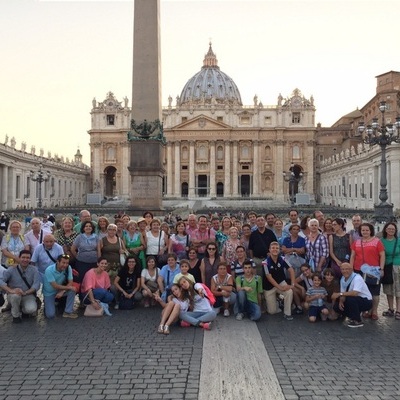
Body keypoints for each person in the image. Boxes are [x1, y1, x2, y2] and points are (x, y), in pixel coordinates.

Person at [349, 222, 385, 320]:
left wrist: (381, 269)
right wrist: (351, 268)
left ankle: (374, 311)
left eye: (367, 230)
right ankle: (364, 310)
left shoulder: (377, 241)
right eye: (363, 230)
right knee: (361, 291)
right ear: (360, 231)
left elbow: (382, 255)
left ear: (371, 231)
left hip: (373, 270)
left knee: (374, 292)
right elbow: (353, 255)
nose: (365, 232)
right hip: (358, 269)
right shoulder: (356, 242)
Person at [0, 250, 40, 323]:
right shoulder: (11, 269)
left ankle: (23, 309)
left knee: (31, 309)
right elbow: (1, 281)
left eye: (27, 258)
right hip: (14, 294)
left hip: (28, 294)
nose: (25, 260)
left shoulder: (34, 270)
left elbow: (36, 285)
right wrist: (11, 290)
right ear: (19, 258)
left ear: (30, 259)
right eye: (23, 257)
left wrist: (26, 292)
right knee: (16, 296)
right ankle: (16, 316)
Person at [331, 262, 373, 328]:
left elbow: (355, 293)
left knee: (350, 299)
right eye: (343, 269)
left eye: (347, 269)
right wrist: (341, 301)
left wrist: (339, 294)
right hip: (355, 300)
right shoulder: (342, 279)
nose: (345, 271)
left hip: (366, 301)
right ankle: (352, 315)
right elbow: (343, 293)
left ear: (351, 270)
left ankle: (357, 320)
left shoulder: (357, 278)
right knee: (337, 307)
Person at [262, 241, 295, 320]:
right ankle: (278, 300)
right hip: (269, 286)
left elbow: (291, 270)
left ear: (279, 250)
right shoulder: (265, 262)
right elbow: (269, 277)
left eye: (277, 248)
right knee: (272, 311)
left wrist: (292, 284)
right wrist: (280, 288)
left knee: (289, 291)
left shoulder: (283, 259)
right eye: (273, 248)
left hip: (280, 282)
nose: (275, 249)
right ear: (269, 250)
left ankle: (287, 313)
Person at [42, 254, 78, 319]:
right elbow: (55, 286)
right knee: (50, 315)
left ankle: (68, 311)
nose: (65, 265)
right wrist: (69, 287)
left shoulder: (68, 267)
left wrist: (63, 291)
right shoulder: (49, 270)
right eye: (63, 263)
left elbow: (70, 282)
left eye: (67, 263)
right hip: (49, 292)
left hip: (60, 290)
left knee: (73, 290)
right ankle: (49, 304)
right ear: (57, 262)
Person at [380, 222, 400, 319]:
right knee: (388, 289)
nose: (391, 230)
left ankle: (399, 310)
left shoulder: (398, 240)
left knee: (398, 289)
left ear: (395, 230)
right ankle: (391, 308)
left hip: (398, 267)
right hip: (387, 267)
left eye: (393, 229)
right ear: (386, 230)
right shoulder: (381, 241)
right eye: (389, 228)